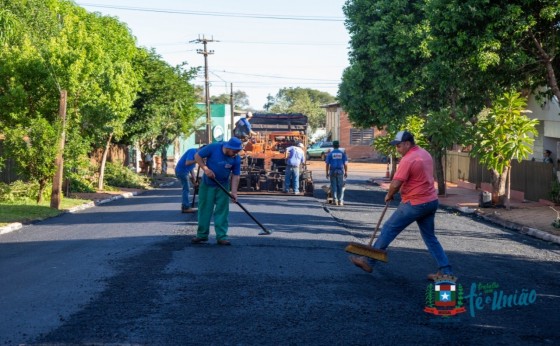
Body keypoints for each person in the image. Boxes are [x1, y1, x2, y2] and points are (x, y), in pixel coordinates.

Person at [349, 131, 454, 280]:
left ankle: (369, 261)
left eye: (399, 145)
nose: (397, 149)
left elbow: (396, 183)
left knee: (389, 228)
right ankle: (446, 272)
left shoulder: (408, 159)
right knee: (430, 237)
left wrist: (389, 194)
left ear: (407, 143)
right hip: (431, 201)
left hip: (415, 203)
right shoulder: (425, 153)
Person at [192, 137, 243, 246]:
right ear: (228, 147)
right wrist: (206, 169)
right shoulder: (214, 147)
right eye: (234, 151)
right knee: (205, 210)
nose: (235, 154)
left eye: (238, 152)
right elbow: (197, 156)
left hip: (223, 186)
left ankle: (221, 237)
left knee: (222, 211)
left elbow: (236, 175)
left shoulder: (236, 158)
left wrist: (234, 192)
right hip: (207, 185)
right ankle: (202, 235)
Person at [175, 145, 205, 213]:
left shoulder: (195, 154)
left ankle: (186, 205)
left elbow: (191, 169)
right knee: (186, 189)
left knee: (186, 188)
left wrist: (195, 181)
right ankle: (185, 207)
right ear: (200, 149)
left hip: (184, 171)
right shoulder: (192, 151)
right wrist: (197, 160)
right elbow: (187, 162)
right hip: (181, 171)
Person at [325, 141, 348, 206]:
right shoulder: (342, 154)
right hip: (340, 172)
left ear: (333, 146)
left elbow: (327, 164)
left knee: (333, 186)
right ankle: (340, 201)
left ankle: (335, 201)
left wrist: (327, 173)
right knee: (340, 186)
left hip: (332, 171)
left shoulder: (330, 154)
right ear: (339, 146)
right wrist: (346, 172)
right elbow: (345, 164)